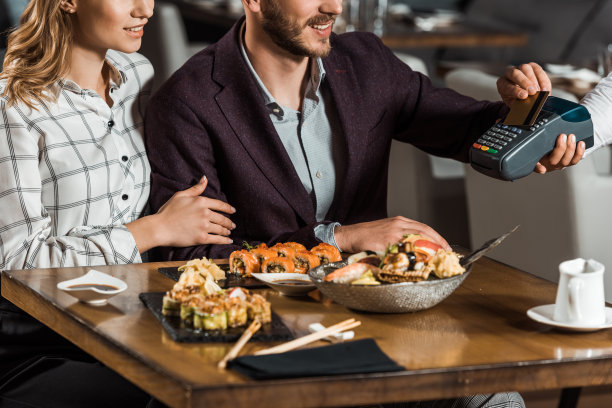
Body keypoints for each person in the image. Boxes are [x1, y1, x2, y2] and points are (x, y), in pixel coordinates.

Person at [145, 0, 583, 264]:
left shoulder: (366, 62)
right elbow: (190, 259)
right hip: (266, 331)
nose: (335, 7)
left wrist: (521, 115)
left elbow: (464, 128)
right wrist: (340, 239)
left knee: (497, 398)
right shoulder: (187, 103)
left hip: (378, 311)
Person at [0, 0, 232, 406]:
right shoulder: (14, 104)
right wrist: (154, 230)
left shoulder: (137, 73)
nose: (145, 9)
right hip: (37, 340)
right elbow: (17, 260)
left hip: (125, 321)